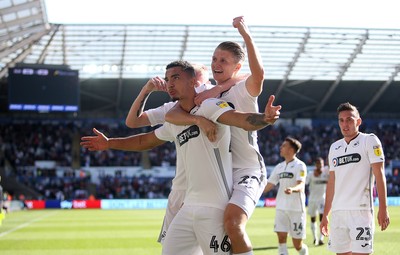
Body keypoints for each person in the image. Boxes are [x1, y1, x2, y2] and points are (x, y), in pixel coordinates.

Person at [81, 60, 281, 255]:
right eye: (167, 79)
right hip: (188, 207)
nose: (170, 84)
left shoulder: (211, 106)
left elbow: (241, 119)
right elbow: (144, 141)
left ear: (194, 81)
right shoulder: (174, 118)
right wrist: (109, 143)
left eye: (176, 78)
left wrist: (265, 118)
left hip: (214, 208)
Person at [165, 16, 268, 255]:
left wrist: (247, 36)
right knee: (216, 231)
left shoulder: (242, 89)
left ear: (237, 67)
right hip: (224, 175)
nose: (216, 63)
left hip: (247, 169)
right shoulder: (205, 94)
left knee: (232, 223)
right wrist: (197, 118)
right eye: (214, 58)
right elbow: (173, 112)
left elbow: (258, 75)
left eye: (224, 60)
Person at [124, 63, 246, 245]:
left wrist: (218, 88)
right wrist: (146, 90)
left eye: (202, 82)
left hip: (211, 192)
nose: (199, 87)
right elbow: (133, 122)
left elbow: (247, 77)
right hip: (181, 189)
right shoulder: (173, 108)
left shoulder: (214, 98)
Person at [320, 102, 390, 255]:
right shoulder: (334, 147)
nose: (345, 124)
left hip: (361, 211)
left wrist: (383, 208)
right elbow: (332, 182)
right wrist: (326, 214)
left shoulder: (369, 140)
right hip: (338, 212)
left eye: (349, 119)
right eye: (341, 120)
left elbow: (379, 175)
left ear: (358, 121)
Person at [263, 137, 309, 255]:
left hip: (296, 209)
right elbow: (269, 185)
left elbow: (301, 184)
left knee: (297, 245)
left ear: (291, 149)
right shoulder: (279, 167)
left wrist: (292, 189)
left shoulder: (300, 165)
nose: (280, 148)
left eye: (283, 146)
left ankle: (304, 252)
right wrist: (255, 194)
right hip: (281, 208)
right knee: (281, 239)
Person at [305, 156, 329, 246]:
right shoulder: (311, 174)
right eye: (318, 163)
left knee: (322, 219)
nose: (320, 165)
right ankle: (315, 238)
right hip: (312, 199)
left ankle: (321, 238)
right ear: (315, 164)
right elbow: (305, 182)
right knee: (313, 219)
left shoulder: (326, 174)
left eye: (322, 164)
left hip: (322, 199)